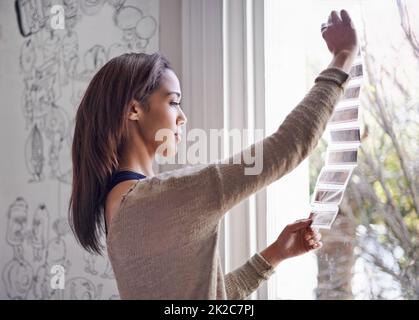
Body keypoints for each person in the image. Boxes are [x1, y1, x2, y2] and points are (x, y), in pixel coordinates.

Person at [69, 9, 358, 299]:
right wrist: (343, 56)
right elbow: (288, 145)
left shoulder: (117, 203)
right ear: (134, 109)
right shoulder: (163, 196)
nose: (182, 117)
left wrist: (274, 254)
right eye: (173, 103)